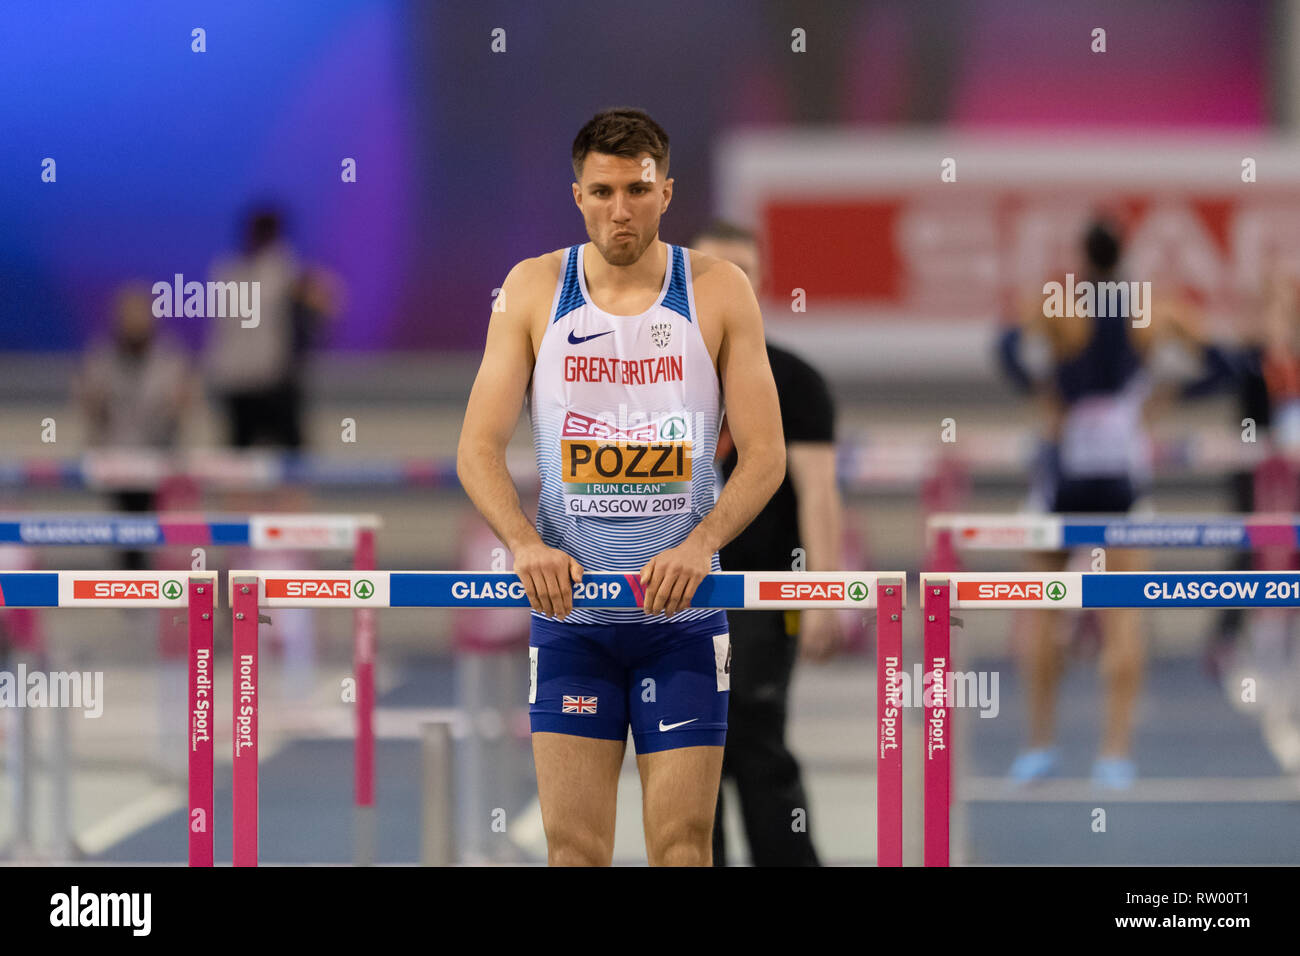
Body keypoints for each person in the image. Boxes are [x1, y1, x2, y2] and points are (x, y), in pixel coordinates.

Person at [457, 108, 786, 866]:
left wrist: (703, 543)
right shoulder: (535, 288)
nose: (620, 209)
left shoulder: (720, 289)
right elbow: (476, 448)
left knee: (680, 847)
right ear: (577, 194)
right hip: (573, 617)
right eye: (602, 191)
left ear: (667, 191)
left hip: (683, 616)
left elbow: (766, 454)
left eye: (637, 190)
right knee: (574, 850)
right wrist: (524, 544)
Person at [997, 216, 1235, 789]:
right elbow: (1225, 363)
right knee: (1123, 622)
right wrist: (1163, 396)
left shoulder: (1059, 306)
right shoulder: (1151, 309)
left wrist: (1045, 393)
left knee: (1042, 618)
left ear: (1083, 254)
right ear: (1125, 255)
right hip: (1120, 492)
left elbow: (1006, 348)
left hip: (1063, 487)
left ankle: (1039, 744)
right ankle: (1115, 751)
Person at [692, 221, 843, 866]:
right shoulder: (653, 377)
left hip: (765, 592)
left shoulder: (797, 381)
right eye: (722, 271)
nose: (737, 285)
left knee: (754, 736)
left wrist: (825, 594)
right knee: (686, 753)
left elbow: (819, 492)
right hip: (673, 597)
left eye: (747, 274)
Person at [76, 283, 196, 569]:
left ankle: (157, 593)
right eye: (128, 314)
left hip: (158, 459)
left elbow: (184, 402)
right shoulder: (101, 356)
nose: (135, 321)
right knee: (126, 538)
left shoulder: (170, 356)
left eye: (140, 314)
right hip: (117, 460)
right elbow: (89, 403)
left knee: (159, 537)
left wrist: (180, 403)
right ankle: (130, 593)